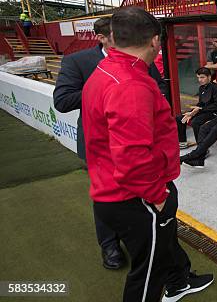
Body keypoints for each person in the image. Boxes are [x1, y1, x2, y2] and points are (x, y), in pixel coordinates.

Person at [82, 7, 213, 302]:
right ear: (155, 41)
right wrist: (158, 196)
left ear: (113, 37)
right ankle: (174, 284)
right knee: (148, 277)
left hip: (118, 191)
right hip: (135, 197)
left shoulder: (107, 71)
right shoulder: (129, 83)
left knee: (162, 254)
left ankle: (179, 282)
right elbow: (131, 159)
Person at [53, 16, 166, 271]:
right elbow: (61, 101)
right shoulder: (80, 62)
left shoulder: (139, 59)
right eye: (111, 36)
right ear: (103, 38)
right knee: (107, 195)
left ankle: (164, 260)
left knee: (137, 202)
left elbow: (159, 87)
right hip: (100, 146)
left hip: (139, 141)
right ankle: (110, 245)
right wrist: (111, 86)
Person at [175, 67, 217, 149]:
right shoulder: (201, 88)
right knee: (179, 118)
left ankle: (202, 148)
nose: (200, 80)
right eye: (198, 77)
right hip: (204, 110)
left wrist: (199, 109)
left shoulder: (216, 89)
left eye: (202, 77)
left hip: (215, 112)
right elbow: (201, 103)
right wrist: (192, 112)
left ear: (209, 77)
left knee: (195, 122)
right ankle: (182, 142)